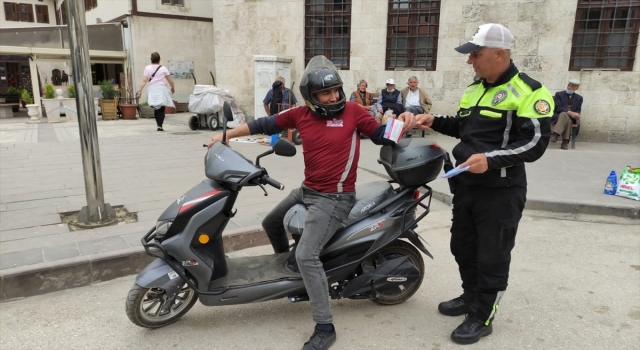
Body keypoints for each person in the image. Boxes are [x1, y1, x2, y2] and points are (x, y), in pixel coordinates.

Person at [208, 56, 416, 350]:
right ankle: (291, 272)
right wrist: (225, 135)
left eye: (336, 91)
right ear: (311, 97)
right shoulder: (300, 114)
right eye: (326, 93)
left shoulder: (354, 112)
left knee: (308, 255)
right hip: (309, 190)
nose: (333, 97)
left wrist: (402, 121)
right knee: (271, 222)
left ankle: (324, 325)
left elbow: (382, 136)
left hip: (335, 198)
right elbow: (263, 123)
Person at [411, 23, 552, 345]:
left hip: (502, 190)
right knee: (462, 246)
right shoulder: (476, 88)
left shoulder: (530, 92)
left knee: (493, 255)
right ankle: (471, 296)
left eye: (475, 54)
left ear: (499, 53)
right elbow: (465, 128)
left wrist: (491, 159)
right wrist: (434, 121)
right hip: (467, 186)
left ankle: (483, 315)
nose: (469, 61)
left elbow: (535, 144)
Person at [136, 52, 175, 131]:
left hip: (152, 89)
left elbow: (144, 80)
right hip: (161, 89)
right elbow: (170, 80)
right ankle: (159, 126)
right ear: (159, 60)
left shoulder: (147, 68)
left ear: (151, 60)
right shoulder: (163, 68)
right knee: (161, 108)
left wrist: (140, 90)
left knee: (156, 108)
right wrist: (172, 87)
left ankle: (158, 125)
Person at [550, 78, 583, 150]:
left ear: (576, 88)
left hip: (572, 118)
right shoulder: (559, 94)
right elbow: (558, 107)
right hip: (559, 116)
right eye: (569, 85)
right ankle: (565, 141)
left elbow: (578, 110)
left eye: (572, 87)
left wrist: (577, 115)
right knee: (563, 114)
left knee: (567, 118)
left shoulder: (579, 98)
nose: (569, 87)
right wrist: (569, 112)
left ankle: (555, 134)